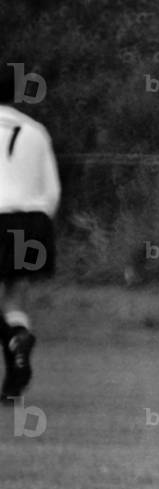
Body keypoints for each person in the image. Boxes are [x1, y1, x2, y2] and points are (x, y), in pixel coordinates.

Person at [0, 65, 60, 401]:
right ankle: (15, 371)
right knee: (15, 294)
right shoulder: (36, 130)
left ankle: (13, 340)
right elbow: (51, 191)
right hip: (33, 222)